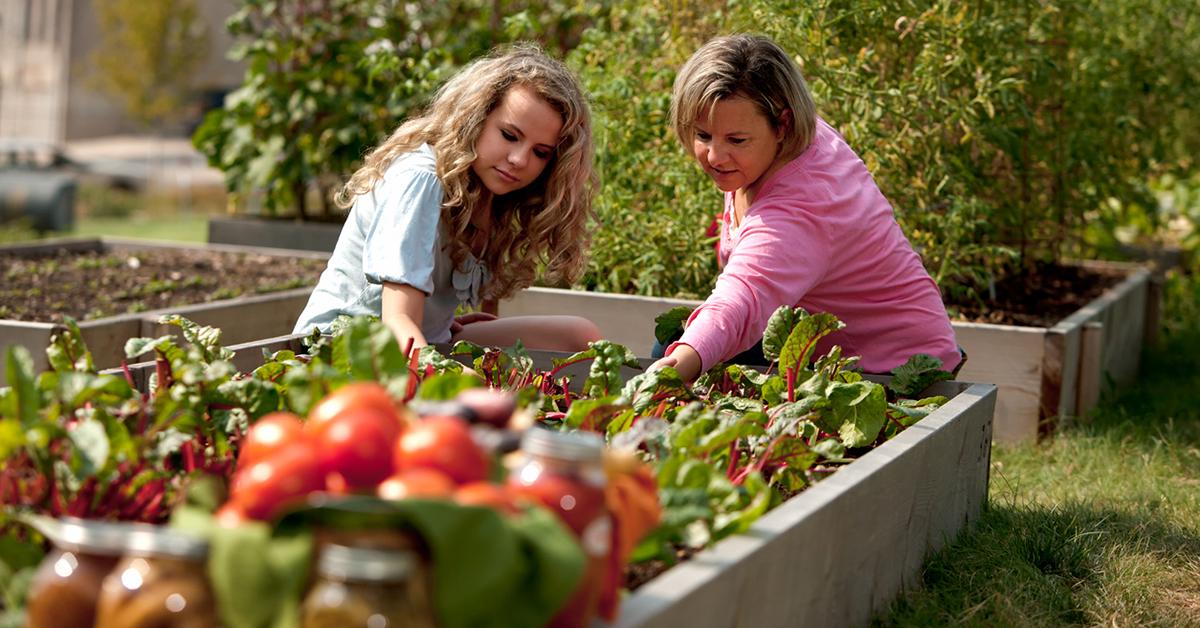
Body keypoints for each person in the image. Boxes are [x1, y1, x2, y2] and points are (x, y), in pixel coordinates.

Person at [650, 34, 961, 381]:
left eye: (736, 140)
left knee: (683, 349)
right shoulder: (773, 147)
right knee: (682, 342)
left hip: (895, 372)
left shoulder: (802, 206)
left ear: (782, 125)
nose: (715, 157)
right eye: (703, 135)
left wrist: (676, 370)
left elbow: (746, 298)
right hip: (833, 347)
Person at [293, 43, 602, 353]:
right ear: (475, 118)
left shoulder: (492, 194)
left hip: (423, 342)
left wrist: (441, 320)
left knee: (579, 335)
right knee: (477, 391)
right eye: (509, 135)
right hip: (348, 348)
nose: (520, 159)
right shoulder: (421, 179)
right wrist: (461, 383)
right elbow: (396, 320)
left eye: (540, 152)